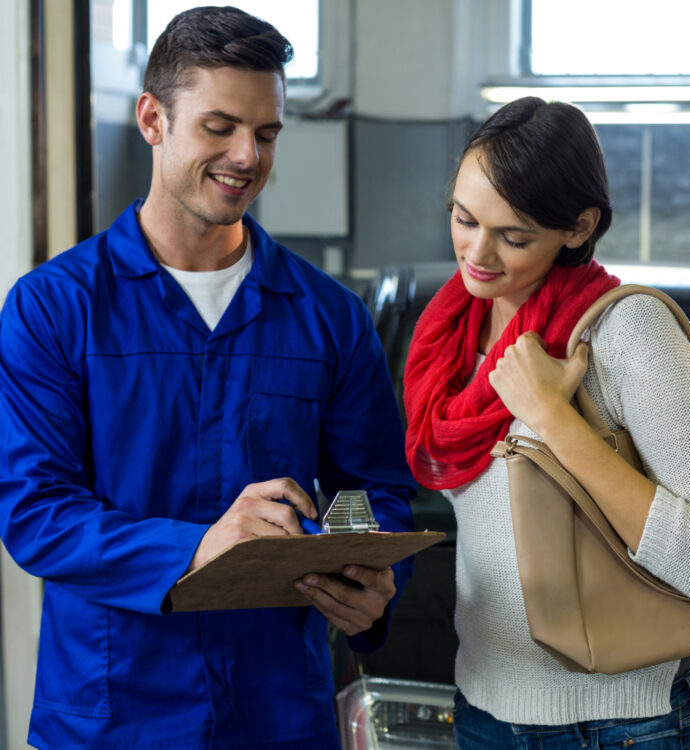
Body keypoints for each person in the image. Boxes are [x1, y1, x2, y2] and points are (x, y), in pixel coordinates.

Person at [0, 7, 414, 749]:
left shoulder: (329, 318)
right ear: (153, 118)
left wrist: (373, 588)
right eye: (219, 126)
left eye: (267, 132)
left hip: (278, 712)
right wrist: (198, 549)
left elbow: (375, 490)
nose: (247, 156)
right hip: (112, 717)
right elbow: (35, 513)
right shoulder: (53, 309)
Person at [403, 97, 690, 749]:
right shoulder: (453, 333)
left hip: (622, 724)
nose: (478, 253)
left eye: (514, 236)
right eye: (464, 219)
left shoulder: (628, 331)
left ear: (579, 227)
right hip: (484, 708)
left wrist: (556, 422)